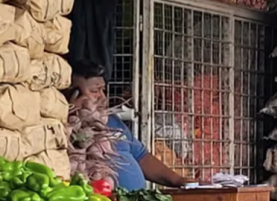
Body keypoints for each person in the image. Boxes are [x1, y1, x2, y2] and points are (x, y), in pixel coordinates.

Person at [70, 60, 190, 190]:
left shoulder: (112, 120)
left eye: (103, 90)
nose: (102, 97)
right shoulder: (65, 127)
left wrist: (178, 180)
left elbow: (142, 156)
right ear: (73, 94)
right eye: (94, 91)